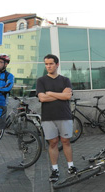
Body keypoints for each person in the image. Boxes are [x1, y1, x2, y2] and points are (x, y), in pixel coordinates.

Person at [36, 54, 76, 182]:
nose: (48, 66)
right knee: (53, 143)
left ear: (57, 64)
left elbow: (68, 96)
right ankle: (55, 169)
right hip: (48, 117)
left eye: (51, 64)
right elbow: (42, 98)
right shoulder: (41, 81)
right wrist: (61, 95)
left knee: (66, 141)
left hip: (64, 115)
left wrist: (51, 93)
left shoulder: (65, 80)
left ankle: (71, 166)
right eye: (46, 64)